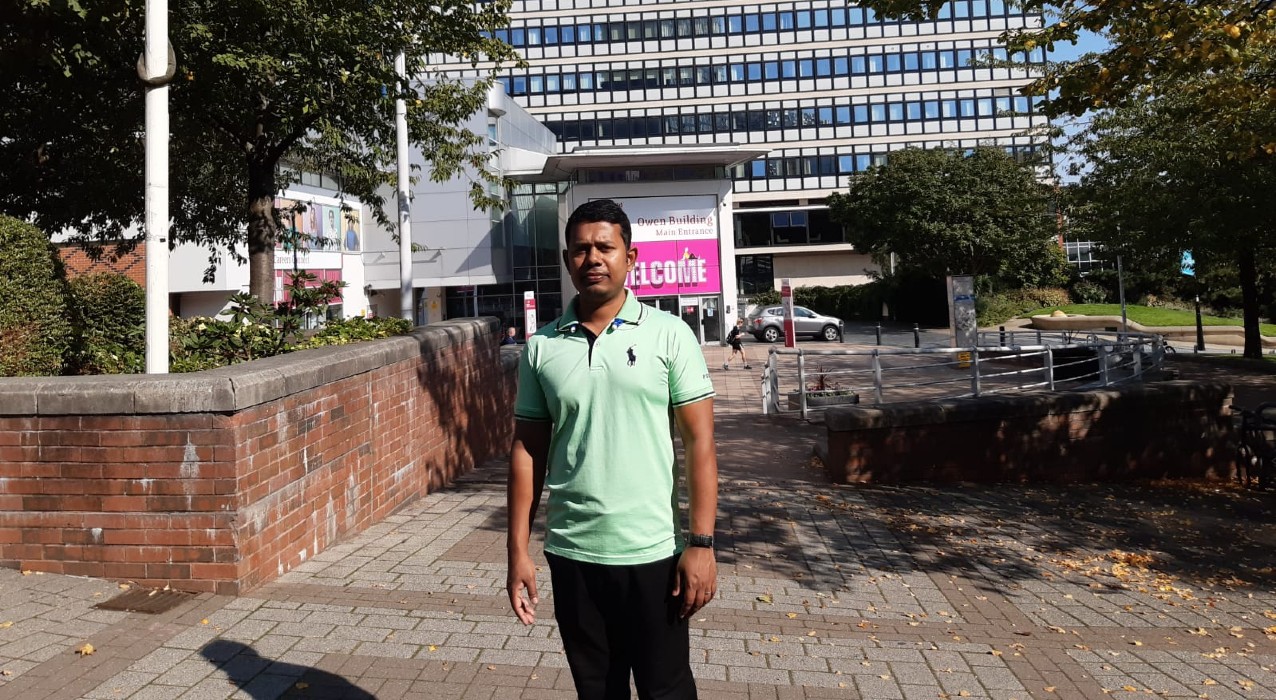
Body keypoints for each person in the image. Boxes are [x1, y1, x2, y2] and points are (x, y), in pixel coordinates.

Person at [508, 199, 718, 700]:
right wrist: (517, 551)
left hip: (653, 552)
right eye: (581, 249)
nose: (593, 259)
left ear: (631, 256)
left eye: (605, 247)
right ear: (567, 260)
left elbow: (700, 442)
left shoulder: (670, 335)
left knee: (666, 689)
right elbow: (528, 452)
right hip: (572, 552)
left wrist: (702, 543)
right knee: (597, 690)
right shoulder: (542, 347)